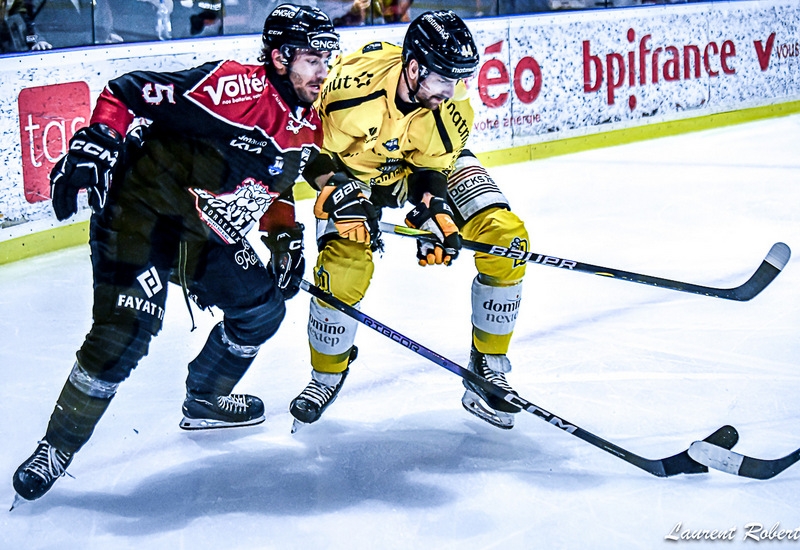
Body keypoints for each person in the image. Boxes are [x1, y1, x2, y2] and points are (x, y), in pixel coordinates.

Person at [11, 3, 338, 505]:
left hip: (197, 229)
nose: (324, 69)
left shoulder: (306, 120)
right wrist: (98, 139)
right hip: (139, 212)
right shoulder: (234, 90)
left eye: (327, 56)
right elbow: (126, 90)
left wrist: (284, 237)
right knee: (123, 335)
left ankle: (204, 397)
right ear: (279, 57)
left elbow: (276, 185)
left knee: (262, 308)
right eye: (313, 58)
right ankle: (56, 448)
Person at [289, 10, 529, 433]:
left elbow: (430, 170)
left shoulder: (450, 106)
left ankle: (487, 361)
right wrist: (342, 194)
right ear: (414, 67)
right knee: (341, 272)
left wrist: (432, 214)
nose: (451, 90)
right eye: (441, 79)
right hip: (355, 175)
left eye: (457, 80)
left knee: (506, 238)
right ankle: (326, 373)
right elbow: (307, 145)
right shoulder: (349, 93)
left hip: (414, 172)